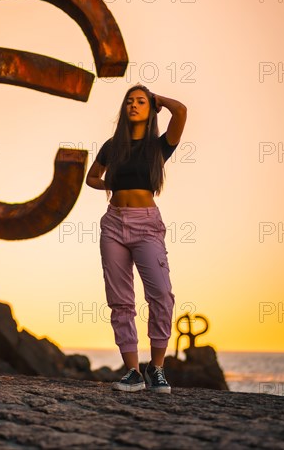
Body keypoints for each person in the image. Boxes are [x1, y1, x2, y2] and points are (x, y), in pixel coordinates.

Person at [85, 84, 187, 393]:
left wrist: (158, 99)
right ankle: (132, 372)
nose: (134, 105)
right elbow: (91, 177)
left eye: (141, 101)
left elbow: (181, 111)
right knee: (120, 301)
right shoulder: (111, 146)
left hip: (146, 226)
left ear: (150, 107)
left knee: (161, 294)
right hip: (114, 225)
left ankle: (156, 368)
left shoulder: (159, 145)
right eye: (129, 101)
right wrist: (108, 183)